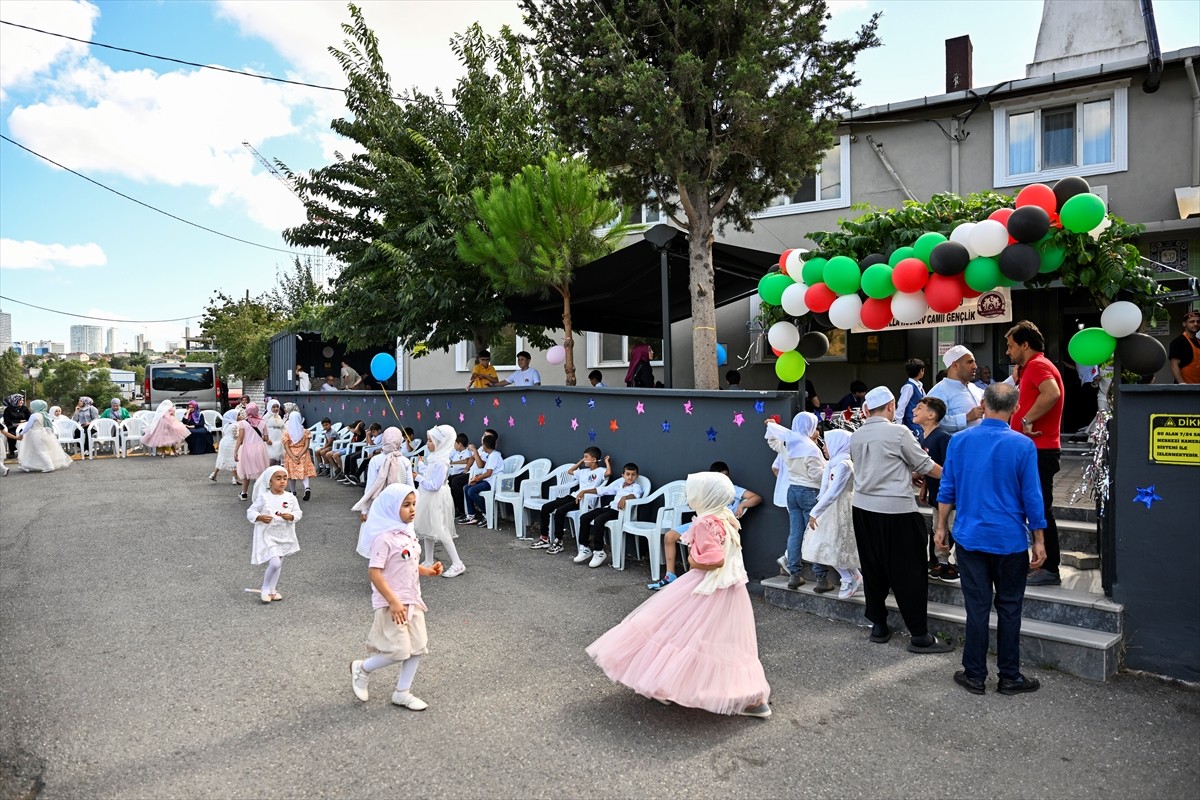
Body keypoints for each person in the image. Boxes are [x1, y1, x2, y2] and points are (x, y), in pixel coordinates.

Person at [586, 471, 772, 718]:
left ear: (705, 497)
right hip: (730, 588)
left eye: (694, 492)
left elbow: (714, 559)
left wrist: (694, 560)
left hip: (707, 585)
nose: (689, 495)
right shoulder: (725, 516)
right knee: (723, 640)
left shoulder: (706, 522)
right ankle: (753, 698)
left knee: (678, 628)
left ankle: (665, 683)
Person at [937, 383, 1046, 695]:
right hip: (1010, 541)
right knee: (1010, 608)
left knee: (977, 607)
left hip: (971, 538)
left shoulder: (959, 441)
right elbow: (1033, 498)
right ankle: (1010, 676)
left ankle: (974, 674)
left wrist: (941, 528)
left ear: (982, 404)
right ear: (1015, 409)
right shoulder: (1023, 446)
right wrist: (1039, 540)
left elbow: (947, 490)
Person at [849, 386, 952, 654]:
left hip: (862, 508)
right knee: (910, 572)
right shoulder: (899, 432)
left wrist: (905, 472)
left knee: (873, 568)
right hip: (896, 511)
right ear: (891, 406)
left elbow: (878, 466)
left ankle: (879, 625)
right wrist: (956, 476)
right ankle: (919, 635)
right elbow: (927, 465)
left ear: (868, 409)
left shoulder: (857, 435)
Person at [350, 484, 442, 710]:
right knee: (397, 651)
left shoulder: (408, 534)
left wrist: (427, 570)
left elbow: (408, 563)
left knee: (417, 647)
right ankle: (363, 668)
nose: (412, 510)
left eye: (413, 505)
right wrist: (393, 601)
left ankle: (402, 692)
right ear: (391, 507)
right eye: (406, 505)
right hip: (392, 603)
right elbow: (374, 572)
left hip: (412, 599)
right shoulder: (384, 539)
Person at [1005, 320, 1065, 587]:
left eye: (1010, 345)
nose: (1008, 351)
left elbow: (1051, 393)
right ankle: (1041, 563)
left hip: (1040, 451)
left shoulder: (1039, 365)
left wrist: (1026, 420)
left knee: (1040, 509)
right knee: (1035, 508)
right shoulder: (1030, 367)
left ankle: (1049, 567)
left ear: (1024, 345)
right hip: (1032, 450)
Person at [648, 461, 761, 590]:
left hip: (717, 526)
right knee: (669, 536)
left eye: (725, 476)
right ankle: (670, 575)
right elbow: (693, 505)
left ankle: (692, 580)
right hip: (702, 522)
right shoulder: (708, 490)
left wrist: (742, 505)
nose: (723, 479)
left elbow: (756, 497)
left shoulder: (732, 489)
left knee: (696, 545)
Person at [764, 412, 829, 591]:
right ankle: (821, 578)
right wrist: (830, 474)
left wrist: (771, 427)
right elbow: (817, 476)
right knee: (815, 534)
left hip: (792, 491)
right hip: (810, 492)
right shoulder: (812, 448)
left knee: (795, 533)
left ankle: (794, 574)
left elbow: (772, 442)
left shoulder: (788, 443)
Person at [804, 431, 863, 600]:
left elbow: (833, 492)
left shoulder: (843, 465)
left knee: (833, 545)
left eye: (827, 443)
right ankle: (853, 576)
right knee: (829, 545)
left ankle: (849, 577)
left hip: (839, 508)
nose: (823, 446)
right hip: (830, 508)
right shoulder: (834, 463)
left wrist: (815, 512)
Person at [529, 447, 611, 553]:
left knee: (560, 511)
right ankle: (544, 538)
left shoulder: (600, 471)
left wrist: (606, 462)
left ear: (594, 459)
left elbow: (608, 473)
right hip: (573, 496)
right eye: (584, 457)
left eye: (586, 457)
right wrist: (581, 462)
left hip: (585, 501)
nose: (584, 459)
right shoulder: (583, 471)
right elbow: (570, 471)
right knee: (545, 507)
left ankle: (559, 542)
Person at [414, 425, 467, 578]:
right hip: (428, 496)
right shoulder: (435, 459)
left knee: (440, 529)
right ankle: (429, 559)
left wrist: (418, 477)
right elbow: (429, 474)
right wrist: (422, 466)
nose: (427, 443)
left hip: (435, 498)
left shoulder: (442, 463)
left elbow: (434, 485)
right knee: (428, 526)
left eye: (430, 441)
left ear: (440, 443)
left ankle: (457, 563)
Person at [913, 396, 956, 581]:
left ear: (931, 415)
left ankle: (961, 563)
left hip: (950, 498)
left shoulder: (942, 437)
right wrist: (924, 487)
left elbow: (949, 469)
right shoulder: (923, 437)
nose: (914, 410)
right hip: (936, 495)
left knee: (953, 527)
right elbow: (928, 467)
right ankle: (942, 562)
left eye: (919, 408)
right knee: (938, 527)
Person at [246, 466, 301, 604]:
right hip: (268, 535)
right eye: (278, 478)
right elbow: (251, 511)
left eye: (284, 478)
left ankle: (273, 589)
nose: (282, 481)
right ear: (269, 481)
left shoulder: (290, 497)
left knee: (279, 563)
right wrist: (259, 517)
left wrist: (292, 516)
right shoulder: (264, 498)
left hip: (284, 534)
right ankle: (265, 588)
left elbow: (298, 512)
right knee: (275, 563)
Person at [572, 463, 643, 568]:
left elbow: (636, 495)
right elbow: (603, 490)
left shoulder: (636, 487)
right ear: (622, 475)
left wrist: (625, 497)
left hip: (620, 512)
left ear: (637, 476)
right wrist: (584, 491)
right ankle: (584, 548)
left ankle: (599, 551)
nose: (630, 477)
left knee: (599, 520)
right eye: (628, 474)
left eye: (633, 475)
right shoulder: (619, 485)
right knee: (584, 517)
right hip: (609, 508)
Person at [354, 428, 415, 550]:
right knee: (399, 539)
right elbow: (410, 487)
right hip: (400, 506)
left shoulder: (375, 460)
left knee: (381, 540)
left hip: (380, 505)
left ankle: (380, 564)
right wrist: (412, 506)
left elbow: (370, 486)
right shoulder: (405, 461)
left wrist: (365, 510)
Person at [927, 345, 984, 435]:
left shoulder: (974, 388)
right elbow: (933, 421)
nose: (975, 366)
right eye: (970, 362)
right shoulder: (939, 391)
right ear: (955, 365)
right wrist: (966, 418)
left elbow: (995, 396)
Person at [16, 400, 72, 473]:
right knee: (32, 450)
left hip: (35, 434)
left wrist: (21, 433)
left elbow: (28, 426)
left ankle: (49, 466)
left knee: (40, 450)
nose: (31, 408)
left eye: (32, 406)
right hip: (43, 433)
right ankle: (25, 465)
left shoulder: (34, 415)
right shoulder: (45, 414)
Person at [460, 432, 502, 526]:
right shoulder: (491, 455)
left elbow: (488, 473)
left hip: (492, 483)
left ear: (484, 446)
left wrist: (477, 479)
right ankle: (471, 515)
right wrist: (476, 479)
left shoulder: (494, 456)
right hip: (487, 480)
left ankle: (487, 513)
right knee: (467, 487)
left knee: (472, 491)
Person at [234, 402, 272, 501]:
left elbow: (240, 438)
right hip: (260, 448)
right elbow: (266, 438)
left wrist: (235, 451)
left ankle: (244, 493)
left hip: (246, 448)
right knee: (260, 471)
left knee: (246, 472)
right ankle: (260, 494)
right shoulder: (263, 422)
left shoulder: (242, 423)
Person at [280, 411, 316, 501]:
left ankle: (293, 492)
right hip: (303, 453)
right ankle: (307, 488)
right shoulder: (305, 432)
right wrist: (300, 454)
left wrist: (292, 456)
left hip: (291, 454)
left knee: (291, 474)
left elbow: (286, 447)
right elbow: (307, 445)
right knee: (304, 472)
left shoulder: (287, 433)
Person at [210, 403, 243, 484]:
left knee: (222, 458)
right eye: (238, 415)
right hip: (231, 443)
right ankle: (235, 478)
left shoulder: (227, 425)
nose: (240, 416)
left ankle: (214, 474)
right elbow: (236, 436)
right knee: (233, 460)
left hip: (224, 442)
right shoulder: (235, 425)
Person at [895, 358, 926, 437]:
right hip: (910, 421)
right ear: (921, 371)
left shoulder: (919, 386)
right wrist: (898, 424)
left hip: (918, 421)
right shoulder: (909, 387)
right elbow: (901, 405)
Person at [1168, 309, 1200, 384]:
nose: (1196, 324)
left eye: (1198, 321)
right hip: (1186, 390)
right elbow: (1174, 364)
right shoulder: (1179, 342)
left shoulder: (1199, 341)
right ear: (1184, 324)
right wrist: (1182, 384)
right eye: (1192, 321)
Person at [263, 399, 285, 464]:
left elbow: (283, 427)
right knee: (270, 459)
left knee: (277, 459)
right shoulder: (266, 417)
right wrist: (266, 439)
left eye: (277, 407)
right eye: (274, 407)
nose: (276, 409)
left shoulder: (278, 417)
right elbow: (262, 429)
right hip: (270, 438)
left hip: (278, 439)